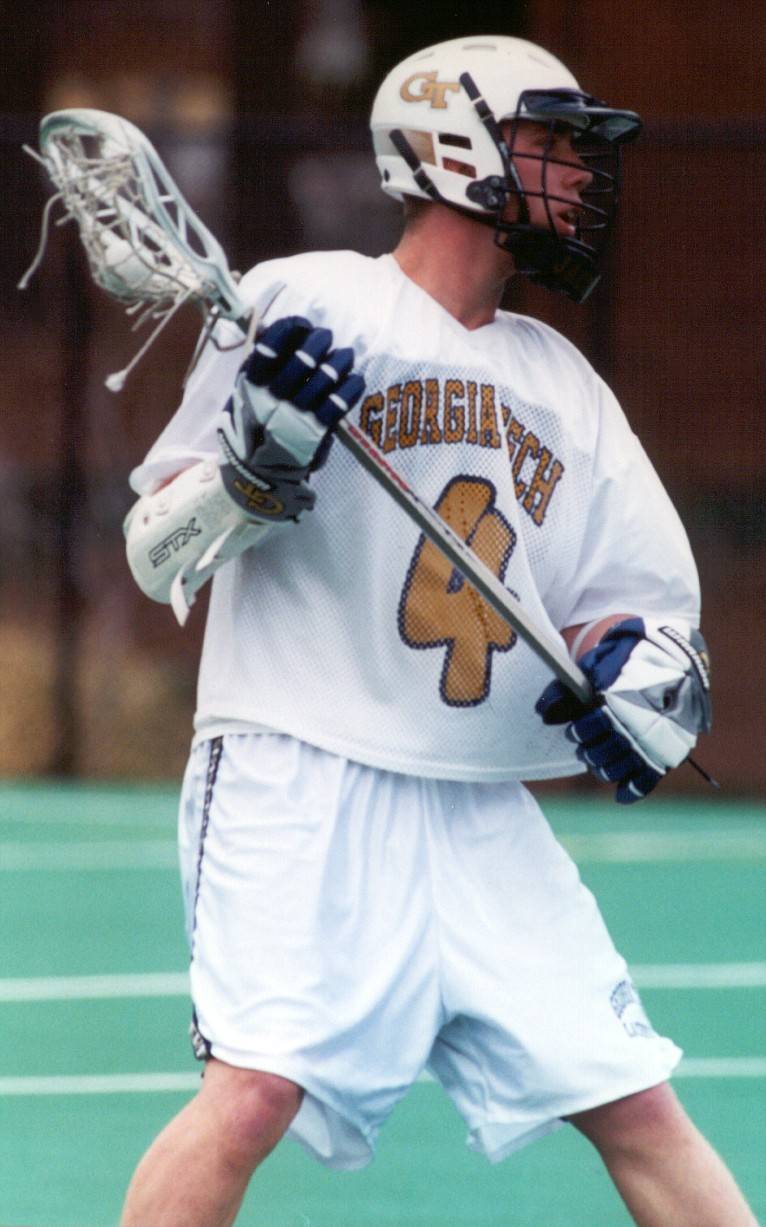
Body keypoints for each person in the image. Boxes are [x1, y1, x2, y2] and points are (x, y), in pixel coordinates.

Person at [119, 35, 757, 1227]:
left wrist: (639, 689)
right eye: (552, 143)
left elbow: (642, 609)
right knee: (251, 1095)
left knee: (635, 1104)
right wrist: (257, 469)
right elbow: (157, 549)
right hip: (298, 768)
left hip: (476, 803)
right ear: (453, 145)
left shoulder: (560, 380)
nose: (580, 174)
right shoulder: (299, 302)